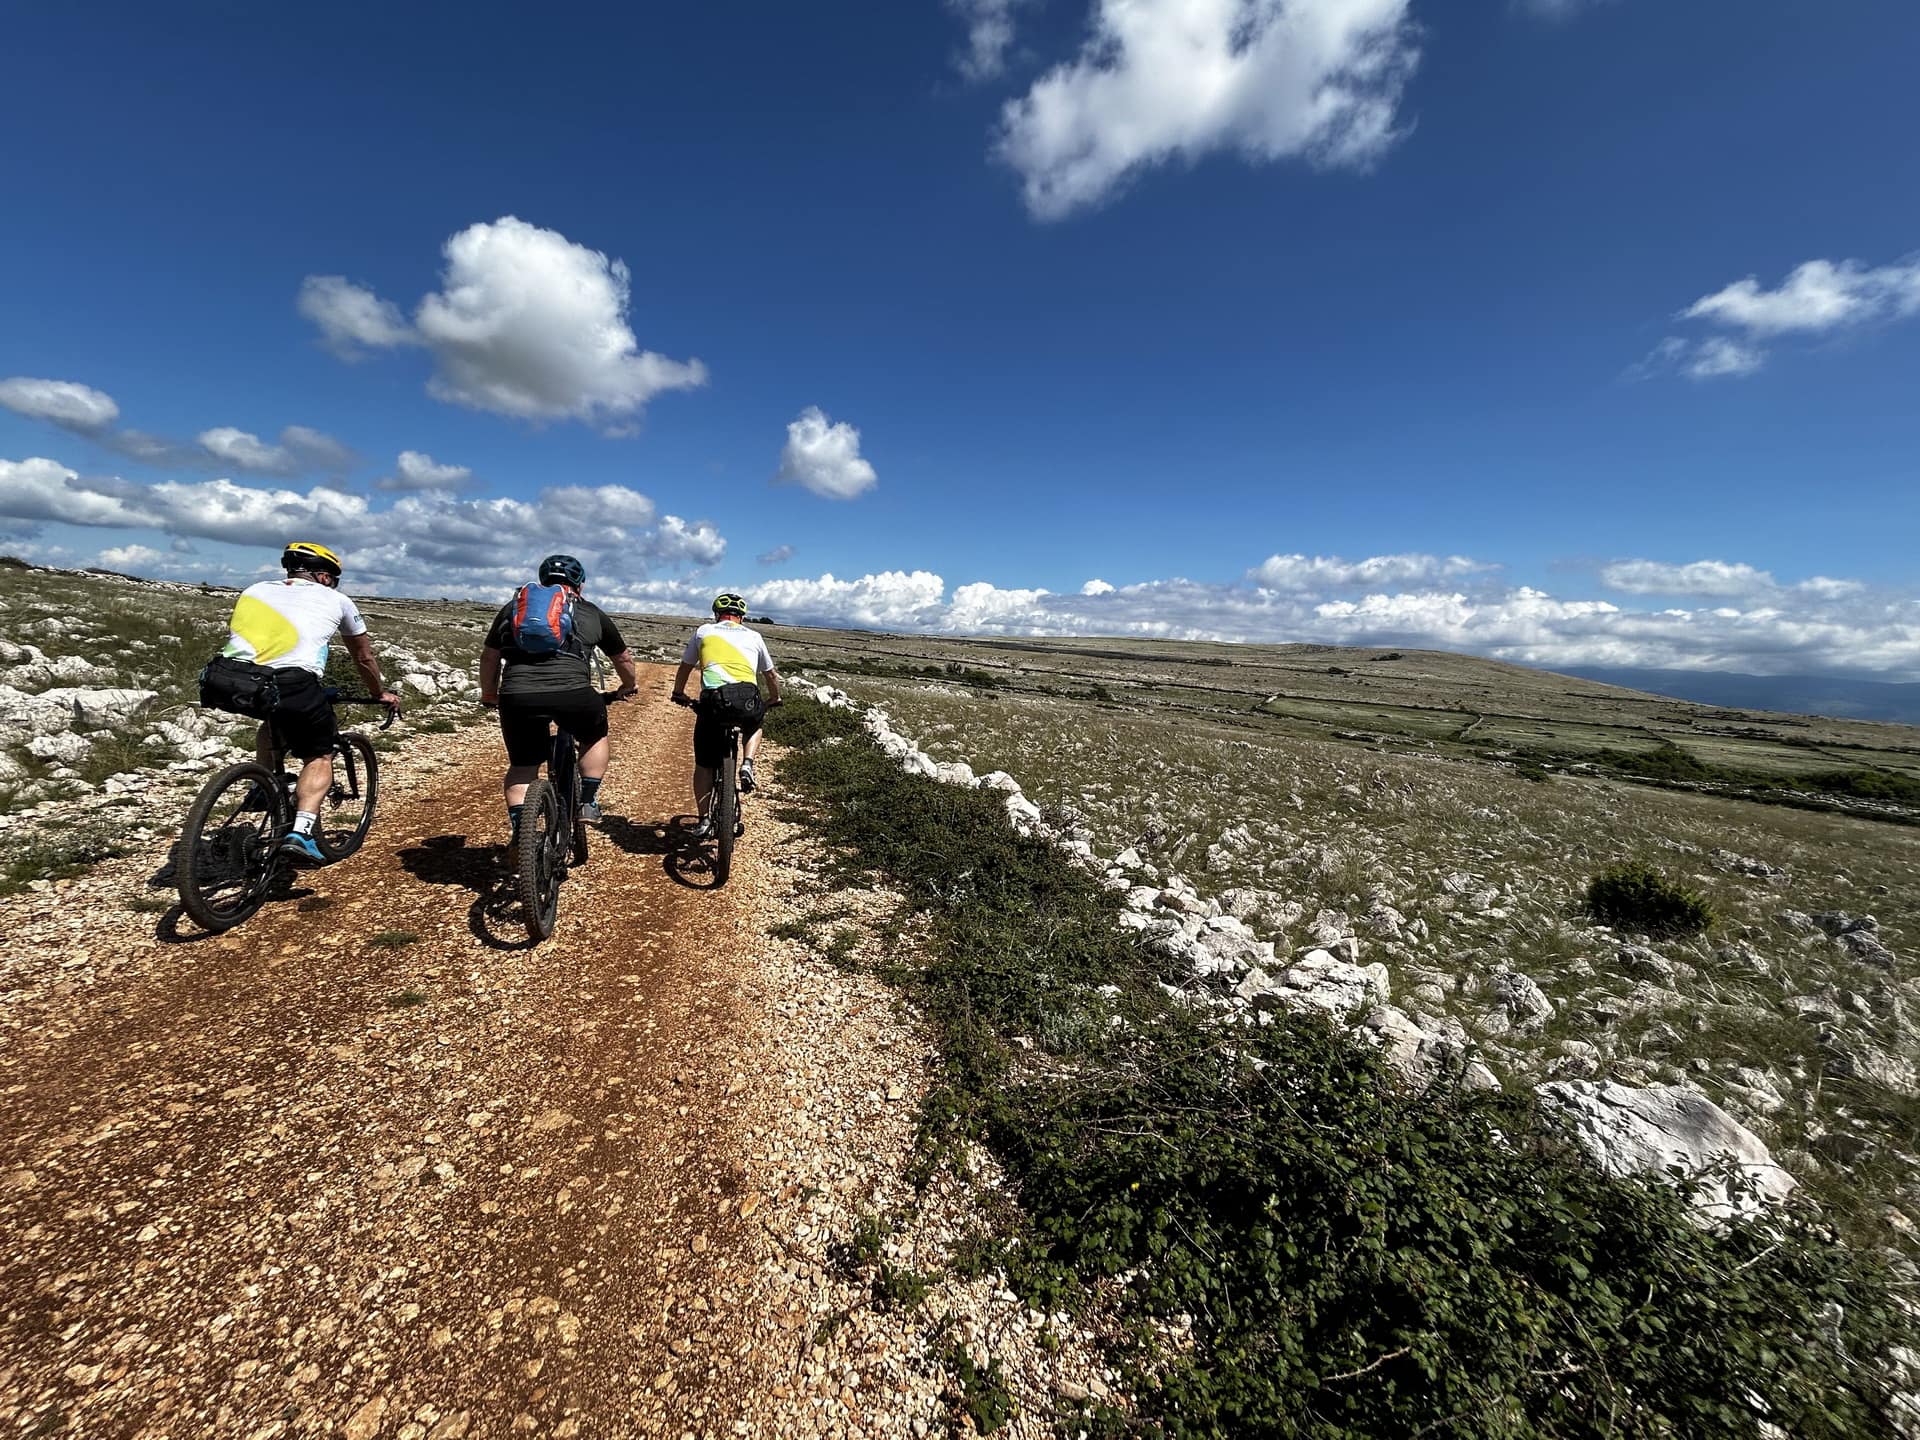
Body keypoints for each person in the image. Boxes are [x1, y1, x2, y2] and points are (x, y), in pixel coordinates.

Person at [218, 541, 401, 864]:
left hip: (232, 677)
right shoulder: (337, 600)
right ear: (325, 577)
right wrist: (378, 693)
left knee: (274, 721)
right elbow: (363, 657)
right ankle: (301, 832)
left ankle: (264, 783)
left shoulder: (255, 589)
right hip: (293, 681)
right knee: (319, 755)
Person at [479, 554, 639, 850]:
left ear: (542, 581)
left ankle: (521, 835)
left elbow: (490, 656)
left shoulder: (513, 609)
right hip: (574, 694)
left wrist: (490, 695)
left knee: (523, 767)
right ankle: (588, 801)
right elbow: (623, 658)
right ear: (580, 583)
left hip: (518, 695)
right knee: (594, 735)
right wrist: (628, 686)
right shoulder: (590, 612)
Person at [671, 591, 781, 837]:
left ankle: (704, 820)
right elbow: (770, 675)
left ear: (716, 615)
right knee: (755, 722)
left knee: (703, 764)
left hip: (714, 701)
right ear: (741, 616)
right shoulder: (755, 636)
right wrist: (775, 699)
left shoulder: (703, 631)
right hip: (747, 698)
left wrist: (678, 692)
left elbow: (686, 667)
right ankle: (748, 763)